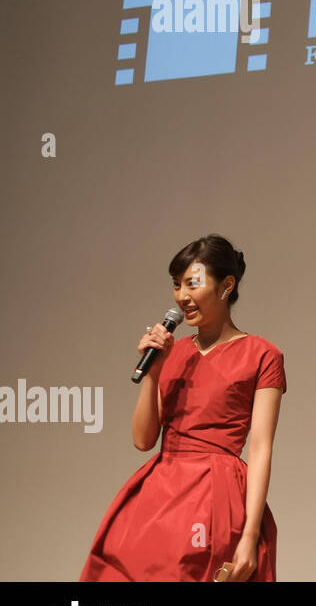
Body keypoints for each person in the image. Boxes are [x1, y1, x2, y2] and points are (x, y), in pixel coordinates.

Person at [81, 235, 286, 581]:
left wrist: (250, 535)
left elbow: (262, 446)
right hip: (160, 494)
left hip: (217, 495)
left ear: (226, 286)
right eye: (176, 285)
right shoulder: (172, 352)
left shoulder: (263, 355)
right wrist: (153, 373)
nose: (181, 296)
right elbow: (144, 440)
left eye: (192, 283)